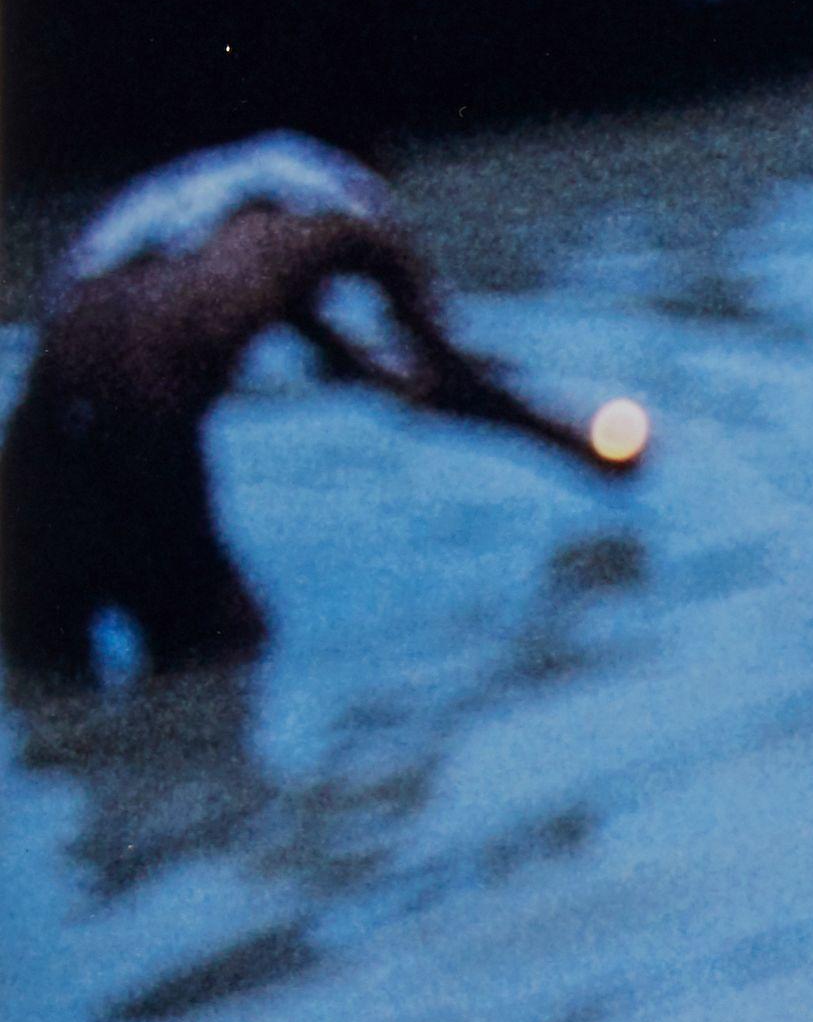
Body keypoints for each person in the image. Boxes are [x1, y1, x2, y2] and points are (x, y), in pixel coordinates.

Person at [3, 131, 643, 684]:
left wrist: (380, 378)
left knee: (54, 678)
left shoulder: (212, 208)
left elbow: (340, 354)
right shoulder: (354, 218)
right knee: (225, 659)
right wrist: (572, 442)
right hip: (142, 410)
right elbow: (453, 378)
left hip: (31, 447)